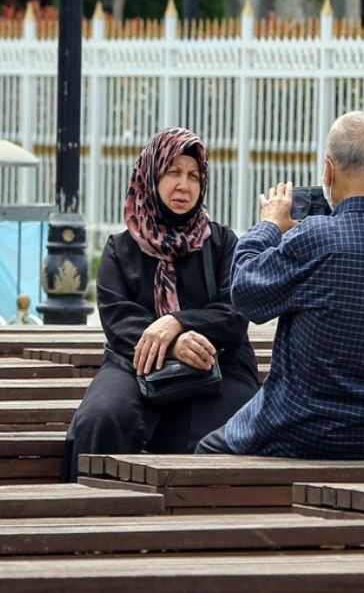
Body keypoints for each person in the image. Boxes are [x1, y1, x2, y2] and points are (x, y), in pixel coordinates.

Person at [196, 110, 364, 460]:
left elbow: (245, 293)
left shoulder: (314, 239)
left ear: (328, 169)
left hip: (301, 430)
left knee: (207, 452)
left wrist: (268, 226)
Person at [62, 126, 259, 481]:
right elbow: (118, 320)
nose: (184, 185)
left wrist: (178, 322)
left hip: (218, 364)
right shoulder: (120, 249)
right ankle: (88, 517)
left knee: (209, 428)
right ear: (151, 176)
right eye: (173, 172)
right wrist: (173, 343)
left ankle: (190, 529)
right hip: (135, 362)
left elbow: (235, 313)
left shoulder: (222, 243)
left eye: (193, 176)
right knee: (101, 418)